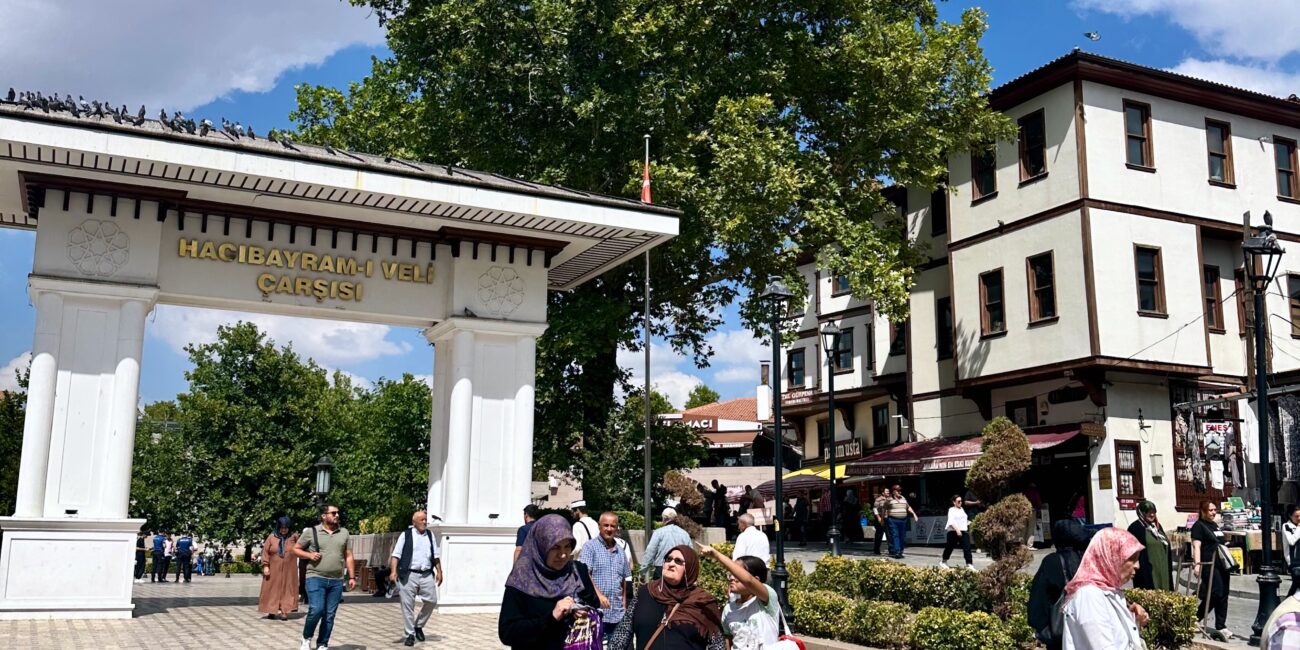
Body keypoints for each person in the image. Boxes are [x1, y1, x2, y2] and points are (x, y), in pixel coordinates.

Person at [498, 514, 601, 649]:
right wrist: (552, 616)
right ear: (540, 545)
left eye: (567, 546)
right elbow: (507, 633)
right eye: (555, 547)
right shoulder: (522, 580)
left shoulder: (577, 572)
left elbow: (593, 605)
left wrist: (581, 609)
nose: (563, 555)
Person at [609, 545, 724, 650]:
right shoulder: (645, 593)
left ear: (690, 568)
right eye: (668, 559)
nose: (671, 564)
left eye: (678, 561)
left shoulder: (702, 601)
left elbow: (717, 645)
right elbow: (622, 634)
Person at [1060, 527, 1149, 650]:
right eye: (1131, 558)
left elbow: (1121, 641)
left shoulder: (1109, 590)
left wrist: (1135, 621)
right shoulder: (1089, 596)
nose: (1137, 565)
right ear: (1110, 557)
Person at [294, 502, 357, 650]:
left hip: (336, 580)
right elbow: (295, 549)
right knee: (316, 609)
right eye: (333, 513)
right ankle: (306, 638)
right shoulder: (311, 532)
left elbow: (348, 555)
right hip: (315, 576)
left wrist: (352, 577)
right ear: (324, 516)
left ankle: (322, 644)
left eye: (337, 513)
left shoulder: (344, 533)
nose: (337, 515)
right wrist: (309, 554)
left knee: (329, 615)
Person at [1029, 520, 1094, 650]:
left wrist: (1043, 630)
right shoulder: (1091, 561)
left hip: (1062, 637)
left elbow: (1038, 602)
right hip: (1092, 633)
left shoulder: (1052, 561)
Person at [699, 545, 780, 650]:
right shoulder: (729, 609)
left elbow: (749, 581)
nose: (732, 578)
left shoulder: (767, 599)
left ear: (756, 579)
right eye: (731, 574)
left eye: (737, 574)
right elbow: (728, 640)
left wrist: (717, 555)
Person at [390, 511, 443, 646]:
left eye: (425, 520)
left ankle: (418, 625)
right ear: (414, 522)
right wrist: (393, 572)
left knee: (432, 600)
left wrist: (439, 571)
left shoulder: (430, 535)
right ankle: (409, 634)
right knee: (408, 606)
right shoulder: (406, 535)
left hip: (426, 574)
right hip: (408, 574)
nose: (424, 522)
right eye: (421, 520)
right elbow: (396, 555)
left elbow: (435, 555)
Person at [579, 512, 630, 638]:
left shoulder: (620, 551)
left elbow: (623, 580)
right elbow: (585, 574)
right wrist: (599, 595)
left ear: (617, 528)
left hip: (617, 614)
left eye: (612, 526)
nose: (609, 529)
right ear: (599, 526)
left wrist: (624, 605)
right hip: (596, 612)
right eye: (605, 525)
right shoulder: (590, 547)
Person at [1191, 499, 1233, 641]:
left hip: (1222, 564)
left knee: (1224, 594)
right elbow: (1196, 546)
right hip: (1209, 564)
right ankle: (1196, 617)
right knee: (1215, 593)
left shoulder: (1214, 525)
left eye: (1215, 510)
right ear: (1203, 511)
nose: (1213, 512)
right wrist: (1197, 564)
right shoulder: (1198, 526)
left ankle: (1221, 625)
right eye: (1210, 510)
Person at [259, 516, 300, 621]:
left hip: (289, 569)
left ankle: (284, 611)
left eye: (286, 527)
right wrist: (266, 566)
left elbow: (301, 548)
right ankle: (271, 610)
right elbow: (265, 552)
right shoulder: (272, 537)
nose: (284, 529)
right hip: (273, 568)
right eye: (282, 527)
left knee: (287, 588)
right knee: (271, 589)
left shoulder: (294, 537)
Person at [1126, 500, 1172, 591]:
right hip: (1147, 572)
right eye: (1148, 512)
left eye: (1153, 512)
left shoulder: (1157, 527)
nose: (1152, 515)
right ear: (1142, 513)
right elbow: (1131, 551)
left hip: (1163, 569)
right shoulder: (1135, 528)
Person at [641, 507, 693, 580]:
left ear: (664, 519)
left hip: (661, 569)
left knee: (660, 590)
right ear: (675, 519)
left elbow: (650, 552)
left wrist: (643, 571)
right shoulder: (685, 534)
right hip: (679, 569)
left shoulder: (658, 533)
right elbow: (690, 555)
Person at [940, 494, 974, 570]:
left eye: (961, 501)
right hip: (953, 531)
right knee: (949, 547)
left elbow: (964, 520)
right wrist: (957, 530)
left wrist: (970, 522)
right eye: (958, 501)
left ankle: (969, 564)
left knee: (967, 547)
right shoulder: (951, 510)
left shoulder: (962, 509)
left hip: (963, 531)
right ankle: (944, 561)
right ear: (954, 502)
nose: (960, 502)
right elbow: (951, 521)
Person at [884, 485, 918, 559]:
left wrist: (914, 514)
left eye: (900, 490)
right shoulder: (889, 499)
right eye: (898, 490)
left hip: (903, 520)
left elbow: (908, 507)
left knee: (902, 536)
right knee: (895, 535)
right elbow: (884, 508)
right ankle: (897, 552)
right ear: (893, 491)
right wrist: (882, 519)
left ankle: (901, 551)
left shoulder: (903, 498)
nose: (900, 492)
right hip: (893, 520)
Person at [1284, 505, 1300, 597]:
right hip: (1294, 561)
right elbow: (1291, 541)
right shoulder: (1286, 526)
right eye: (1296, 516)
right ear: (1290, 516)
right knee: (1296, 584)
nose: (1299, 518)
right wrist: (1298, 528)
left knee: (1296, 586)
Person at [872, 487, 889, 555]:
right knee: (879, 534)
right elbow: (875, 509)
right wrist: (878, 517)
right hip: (880, 518)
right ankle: (876, 550)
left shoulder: (890, 499)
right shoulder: (878, 499)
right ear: (883, 493)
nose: (888, 492)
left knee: (889, 534)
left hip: (888, 518)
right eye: (887, 491)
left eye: (888, 491)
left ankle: (891, 549)